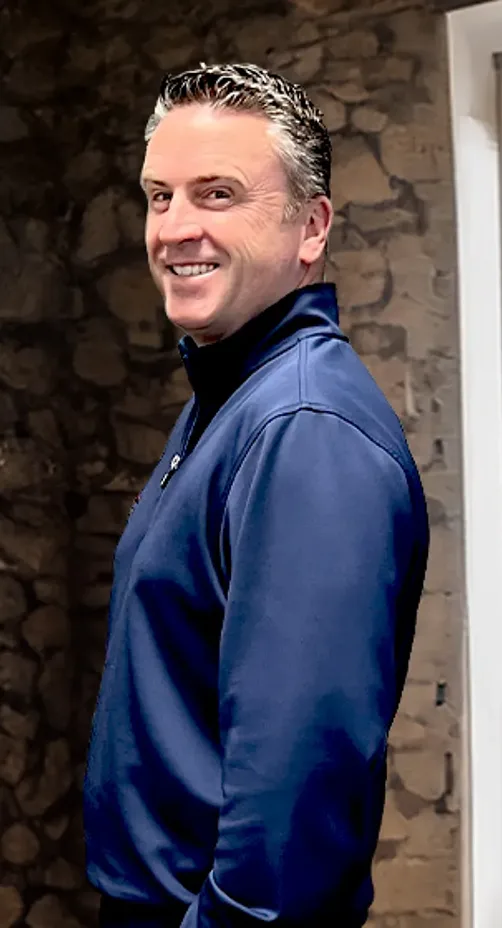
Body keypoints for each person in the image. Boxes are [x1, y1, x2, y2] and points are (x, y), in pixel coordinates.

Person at [84, 63, 429, 928]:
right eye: (159, 196)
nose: (175, 228)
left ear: (310, 227)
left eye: (218, 193)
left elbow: (289, 832)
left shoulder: (303, 430)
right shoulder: (231, 400)